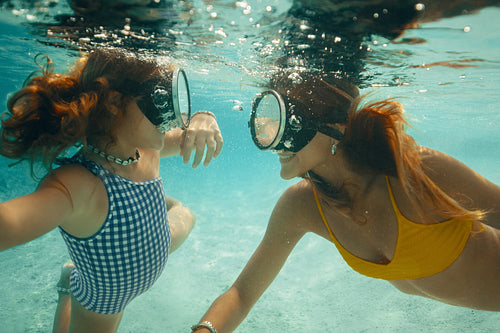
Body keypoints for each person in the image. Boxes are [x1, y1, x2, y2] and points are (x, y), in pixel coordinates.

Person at [191, 71, 500, 333]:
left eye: (289, 126)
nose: (275, 142)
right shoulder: (302, 206)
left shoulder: (415, 171)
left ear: (335, 130)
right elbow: (241, 294)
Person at [0, 47, 223, 332]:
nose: (172, 117)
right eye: (160, 101)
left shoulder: (145, 148)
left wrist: (205, 117)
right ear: (116, 102)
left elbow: (192, 136)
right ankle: (68, 286)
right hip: (104, 299)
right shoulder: (80, 185)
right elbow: (8, 224)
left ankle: (153, 211)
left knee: (186, 215)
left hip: (156, 245)